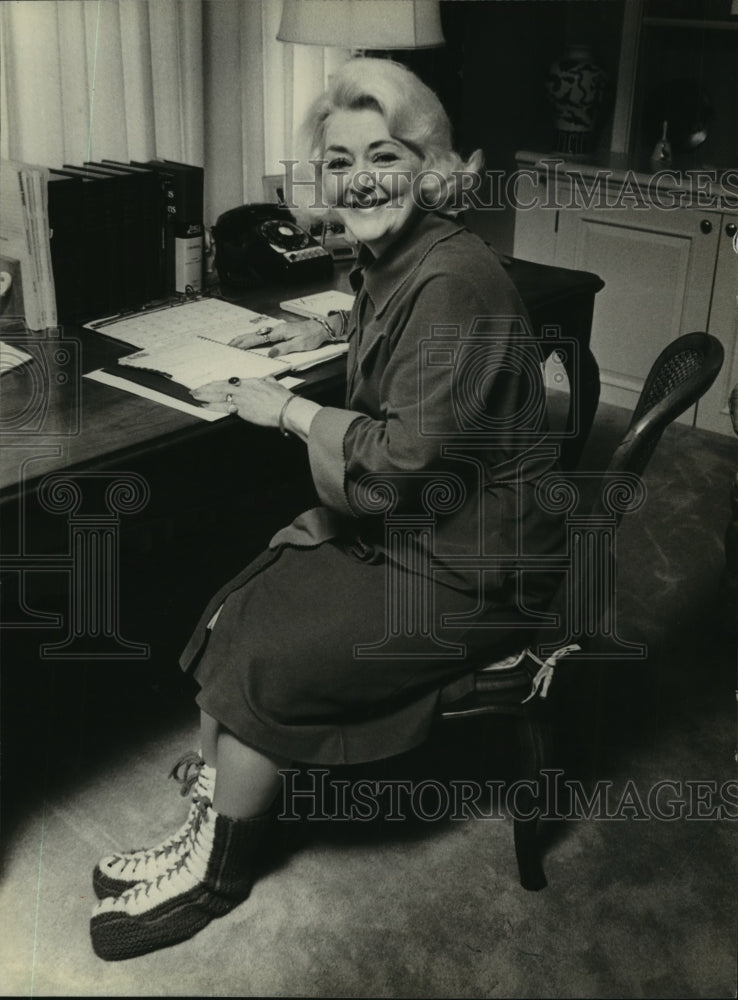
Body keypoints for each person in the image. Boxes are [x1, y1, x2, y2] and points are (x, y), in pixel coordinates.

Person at [89, 58, 567, 962]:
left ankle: (216, 876)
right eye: (340, 160)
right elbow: (390, 322)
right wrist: (327, 333)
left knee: (268, 653)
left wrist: (293, 409)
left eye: (384, 154)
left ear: (429, 167)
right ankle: (208, 823)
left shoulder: (453, 279)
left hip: (474, 564)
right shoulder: (400, 256)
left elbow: (404, 464)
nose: (361, 178)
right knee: (240, 601)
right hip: (432, 532)